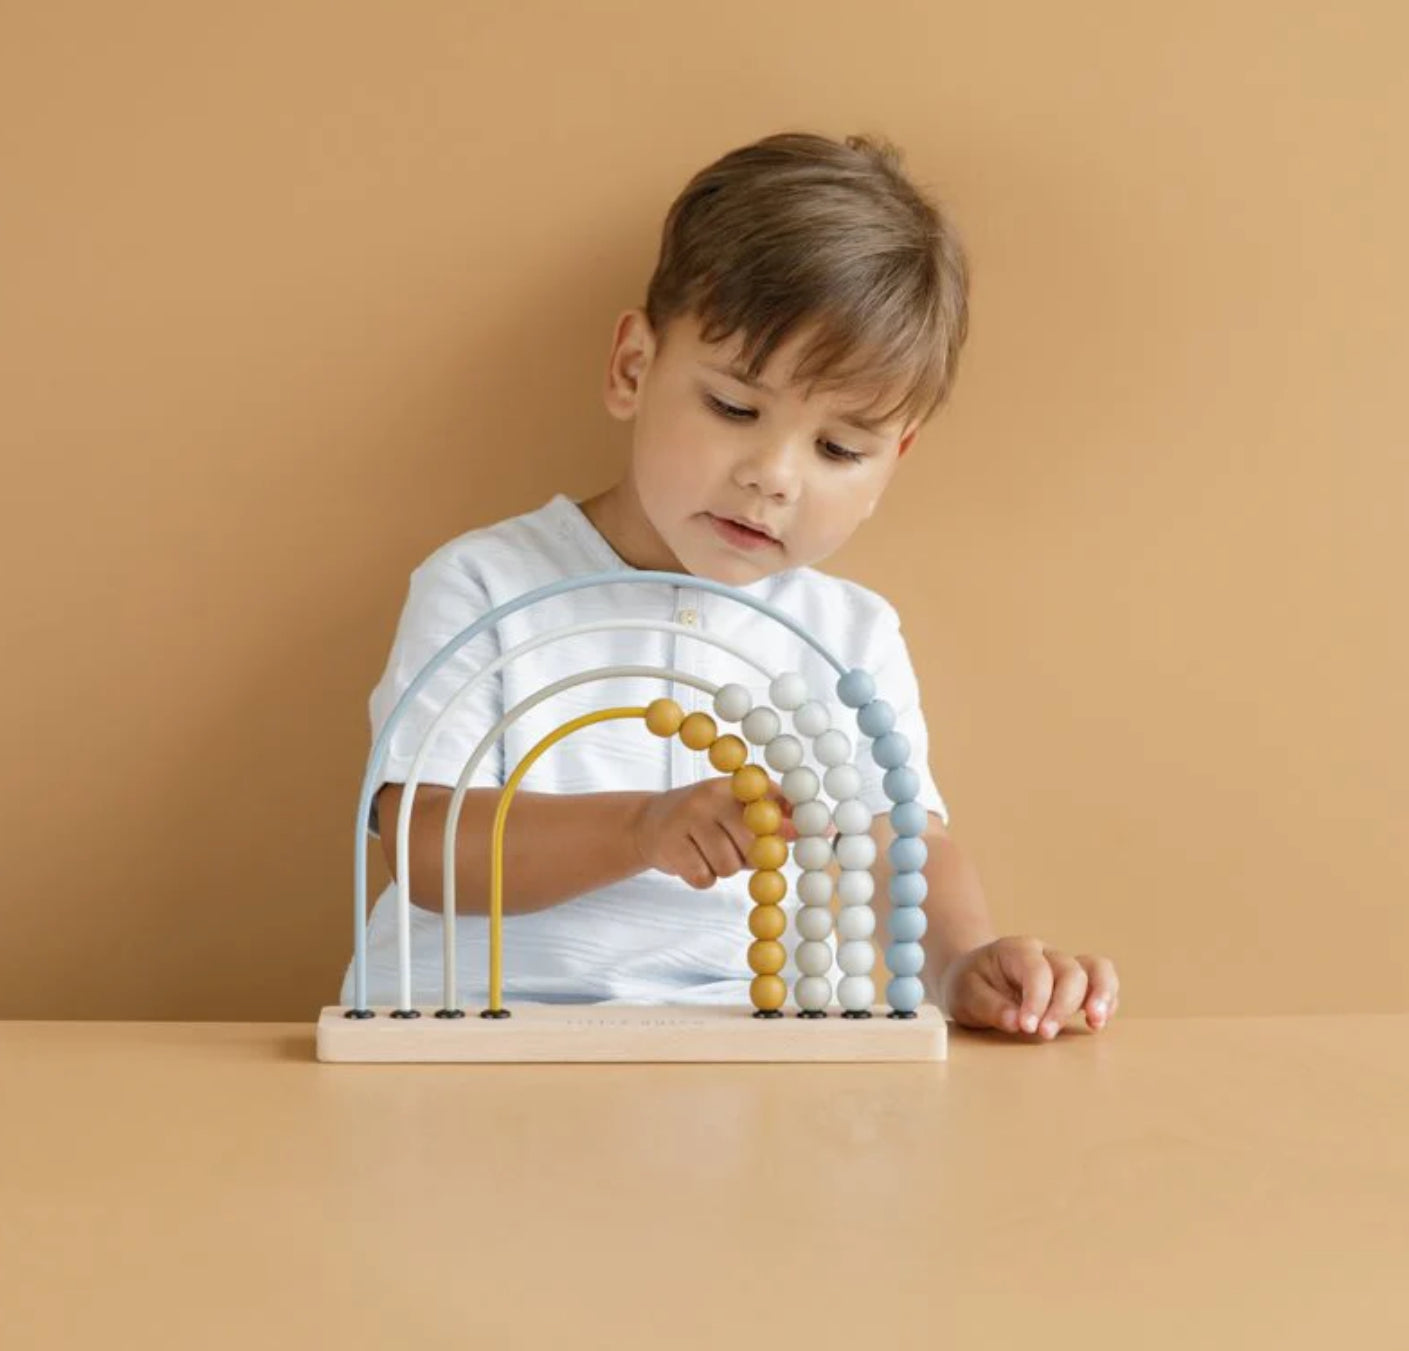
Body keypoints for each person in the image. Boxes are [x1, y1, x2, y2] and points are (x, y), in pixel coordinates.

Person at [340, 130, 1121, 1039]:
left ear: (892, 462)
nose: (774, 476)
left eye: (839, 448)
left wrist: (963, 961)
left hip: (746, 1065)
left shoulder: (847, 637)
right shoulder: (485, 584)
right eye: (734, 408)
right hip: (468, 1051)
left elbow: (900, 846)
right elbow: (423, 844)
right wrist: (639, 829)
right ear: (634, 368)